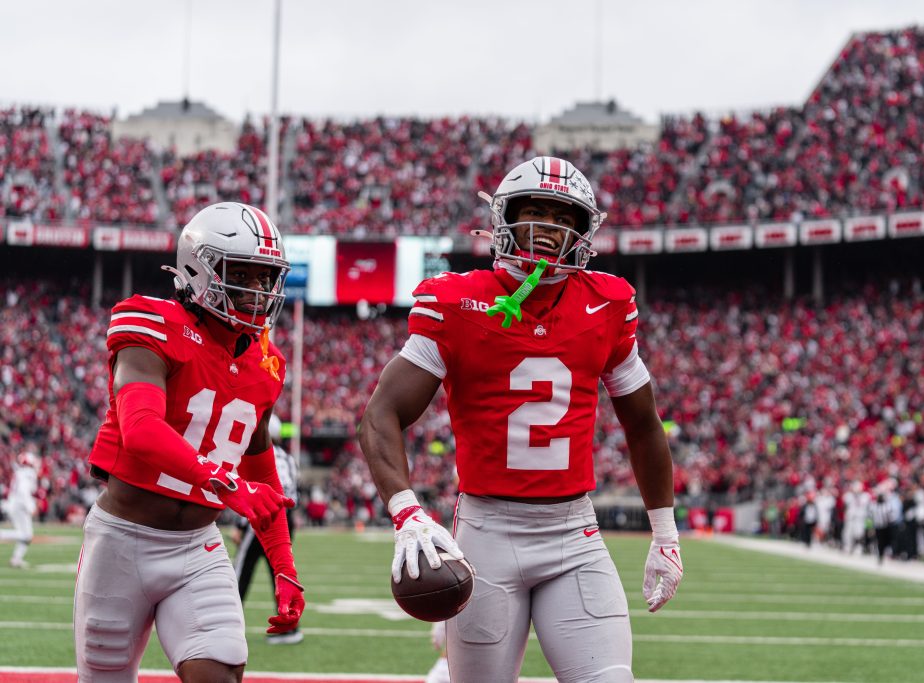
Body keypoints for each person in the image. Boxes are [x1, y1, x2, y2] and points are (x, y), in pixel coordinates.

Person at [360, 156, 683, 682]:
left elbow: (644, 424)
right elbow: (381, 414)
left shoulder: (606, 304)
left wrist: (665, 532)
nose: (548, 230)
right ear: (503, 219)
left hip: (573, 531)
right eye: (534, 212)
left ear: (582, 232)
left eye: (563, 218)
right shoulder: (457, 303)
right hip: (488, 533)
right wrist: (406, 512)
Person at [74, 202, 305, 682]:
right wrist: (224, 483)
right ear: (199, 269)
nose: (258, 290)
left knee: (219, 670)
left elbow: (261, 472)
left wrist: (283, 566)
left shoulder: (267, 364)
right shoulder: (149, 323)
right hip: (122, 540)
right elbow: (140, 429)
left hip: (198, 545)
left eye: (266, 278)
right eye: (244, 273)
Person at [233, 414, 303, 644]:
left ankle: (228, 622)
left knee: (241, 571)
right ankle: (290, 626)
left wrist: (240, 525)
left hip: (265, 516)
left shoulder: (264, 455)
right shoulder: (289, 458)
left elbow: (259, 489)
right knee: (281, 574)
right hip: (286, 517)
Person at [1, 449, 40, 568]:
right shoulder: (27, 473)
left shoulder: (20, 472)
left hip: (16, 505)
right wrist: (30, 506)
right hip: (19, 506)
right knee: (26, 535)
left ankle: (16, 559)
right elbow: (23, 491)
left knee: (27, 535)